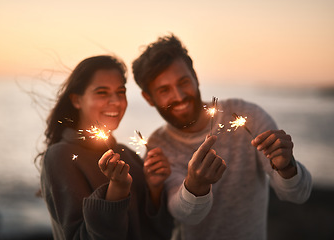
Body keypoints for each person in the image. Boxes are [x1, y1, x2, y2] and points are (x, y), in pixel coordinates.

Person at [132, 34, 312, 240]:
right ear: (149, 98)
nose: (180, 96)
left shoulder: (248, 115)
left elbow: (297, 195)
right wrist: (195, 185)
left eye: (183, 82)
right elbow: (183, 214)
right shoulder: (158, 146)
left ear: (196, 77)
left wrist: (287, 166)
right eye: (164, 90)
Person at [37, 55, 173, 240]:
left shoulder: (129, 155)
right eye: (102, 93)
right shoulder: (61, 156)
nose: (116, 101)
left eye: (120, 92)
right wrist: (116, 190)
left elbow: (159, 233)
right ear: (77, 100)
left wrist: (155, 189)